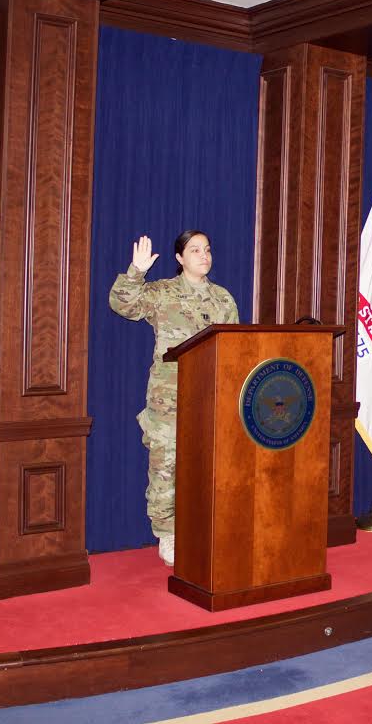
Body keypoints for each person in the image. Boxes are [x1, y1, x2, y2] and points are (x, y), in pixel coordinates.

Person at [109, 230, 239, 566]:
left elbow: (236, 349)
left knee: (207, 466)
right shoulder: (164, 292)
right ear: (180, 258)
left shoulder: (223, 299)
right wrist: (136, 271)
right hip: (170, 399)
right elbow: (122, 304)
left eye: (207, 249)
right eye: (195, 250)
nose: (204, 255)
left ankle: (201, 528)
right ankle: (168, 534)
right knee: (166, 468)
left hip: (211, 398)